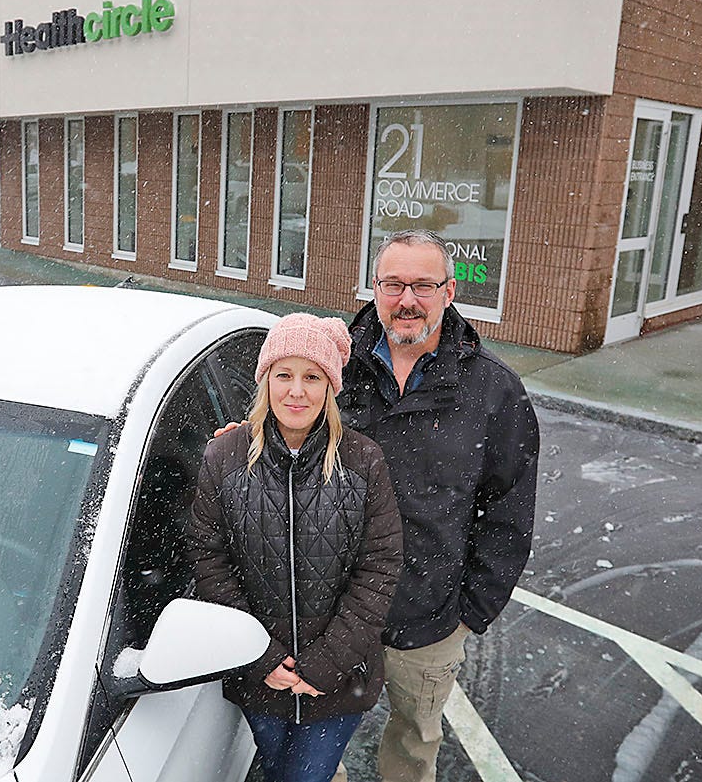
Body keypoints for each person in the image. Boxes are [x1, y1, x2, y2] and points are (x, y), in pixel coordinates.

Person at [219, 229, 540, 782]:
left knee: (414, 745)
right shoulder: (333, 368)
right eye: (393, 284)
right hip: (328, 613)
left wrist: (471, 610)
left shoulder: (492, 391)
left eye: (423, 285)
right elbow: (281, 418)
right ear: (374, 288)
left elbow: (509, 510)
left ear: (450, 290)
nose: (407, 299)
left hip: (428, 616)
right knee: (316, 745)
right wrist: (240, 438)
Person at [189, 313, 402, 782]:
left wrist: (325, 663)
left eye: (312, 377)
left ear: (330, 387)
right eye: (283, 375)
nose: (296, 392)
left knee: (307, 776)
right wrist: (262, 657)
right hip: (260, 677)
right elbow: (210, 561)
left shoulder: (362, 460)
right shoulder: (224, 457)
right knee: (275, 768)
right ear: (264, 380)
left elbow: (379, 569)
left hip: (339, 681)